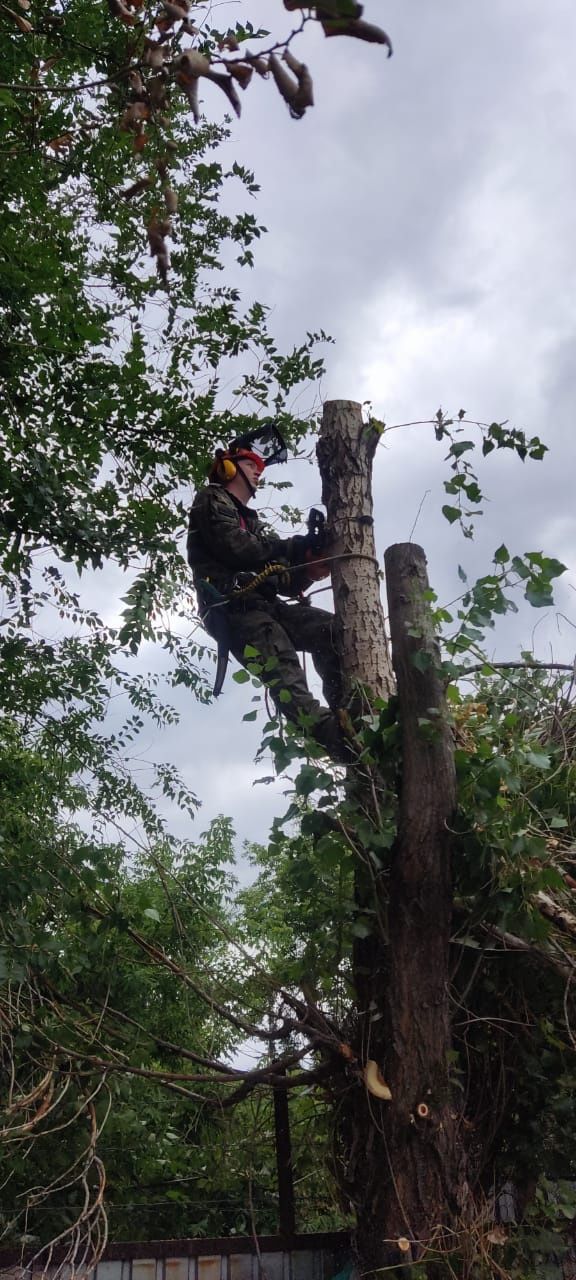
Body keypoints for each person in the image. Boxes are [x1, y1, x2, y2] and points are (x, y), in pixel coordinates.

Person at [187, 427, 353, 764]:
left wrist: (306, 567)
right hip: (235, 609)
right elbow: (237, 548)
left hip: (267, 605)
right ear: (229, 467)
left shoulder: (254, 523)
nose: (258, 472)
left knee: (333, 631)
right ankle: (337, 740)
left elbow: (277, 573)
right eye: (250, 465)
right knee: (285, 670)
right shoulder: (212, 500)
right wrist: (293, 546)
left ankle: (348, 712)